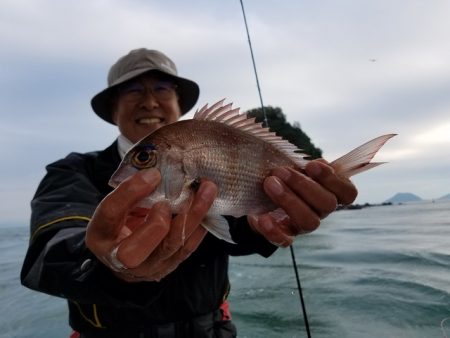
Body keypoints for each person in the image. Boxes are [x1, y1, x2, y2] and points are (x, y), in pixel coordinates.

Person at [21, 48, 357, 338]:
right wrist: (105, 261)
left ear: (179, 104)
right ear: (113, 108)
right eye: (133, 91)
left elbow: (238, 225)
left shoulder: (198, 157)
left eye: (163, 88)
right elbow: (48, 255)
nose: (150, 101)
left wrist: (277, 219)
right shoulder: (73, 172)